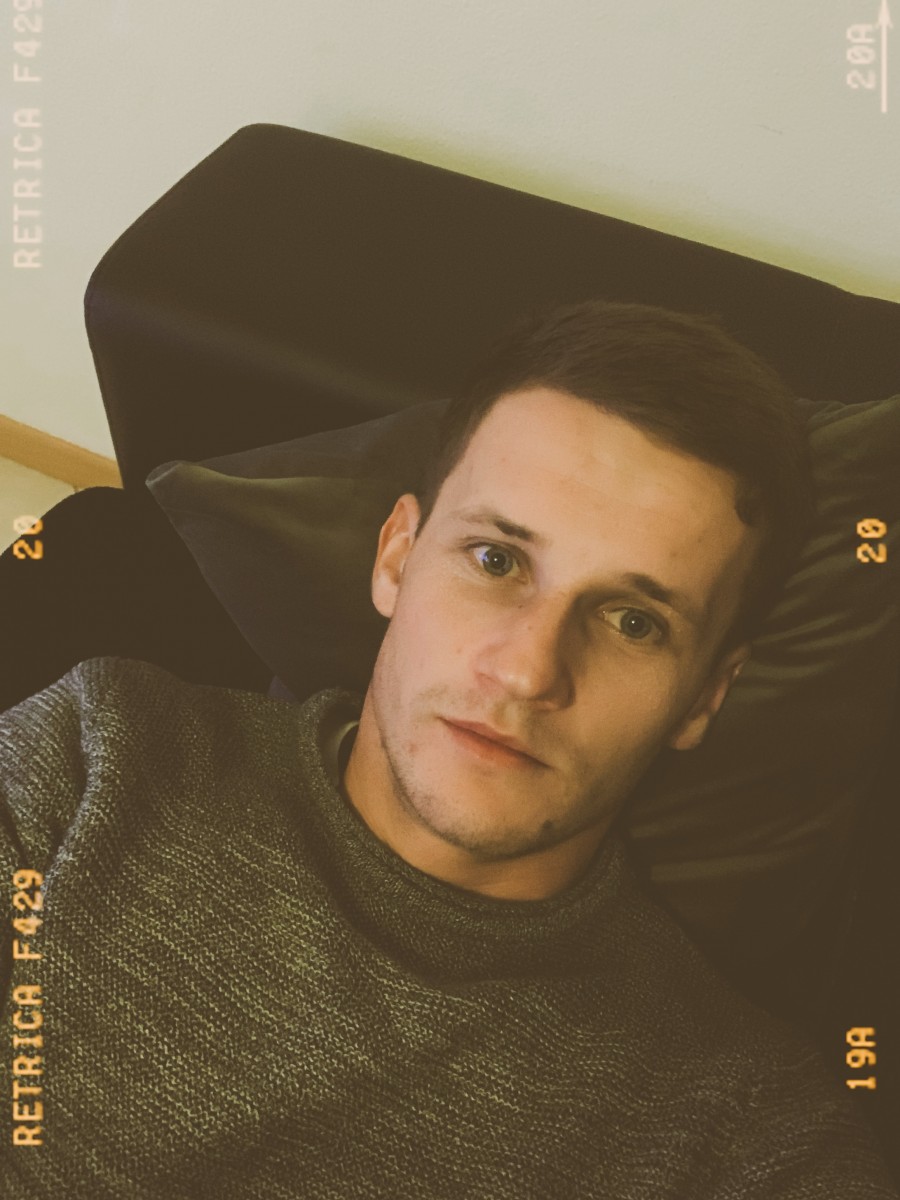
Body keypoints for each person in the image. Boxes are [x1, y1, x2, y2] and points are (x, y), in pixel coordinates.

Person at [0, 300, 896, 1198]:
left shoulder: (739, 1125)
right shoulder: (106, 752)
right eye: (497, 560)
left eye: (634, 621)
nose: (527, 671)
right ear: (396, 556)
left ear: (704, 697)